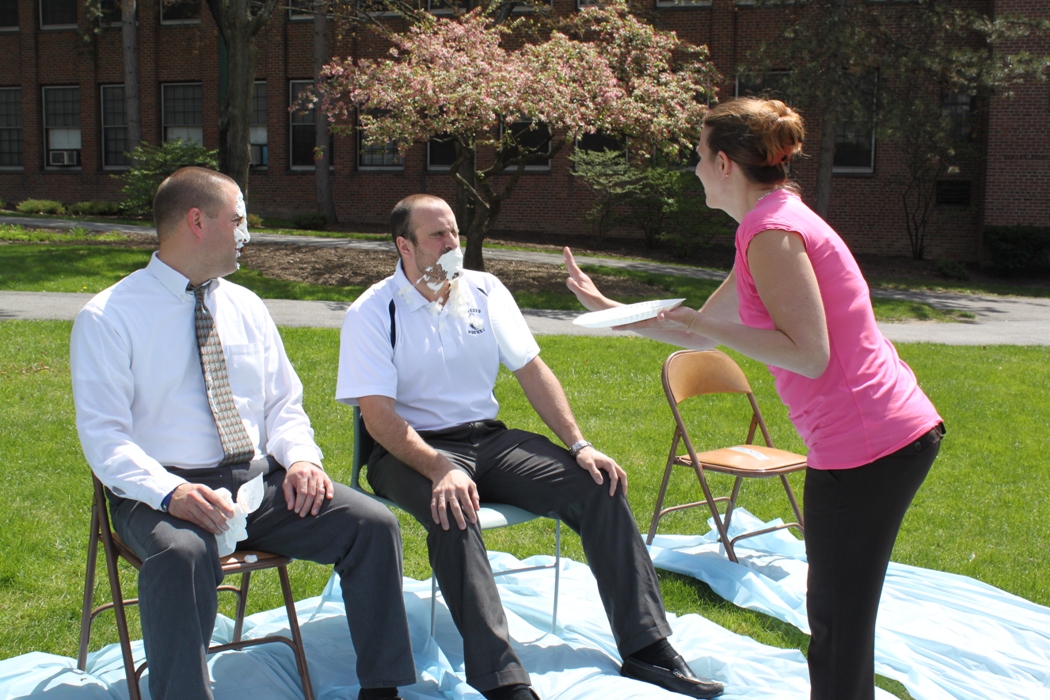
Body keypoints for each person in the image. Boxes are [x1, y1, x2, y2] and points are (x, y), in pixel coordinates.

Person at [564, 97, 944, 700]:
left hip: (869, 443)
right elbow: (697, 325)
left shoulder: (771, 232)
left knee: (838, 625)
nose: (692, 168)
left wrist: (702, 326)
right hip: (875, 436)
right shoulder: (767, 223)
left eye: (696, 154)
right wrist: (612, 313)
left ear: (722, 164)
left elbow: (808, 353)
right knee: (838, 620)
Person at [335, 194, 725, 700]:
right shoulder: (372, 311)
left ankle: (647, 648)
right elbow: (379, 418)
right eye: (438, 235)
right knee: (453, 510)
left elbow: (533, 372)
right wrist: (438, 469)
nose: (453, 244)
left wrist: (580, 444)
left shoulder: (484, 290)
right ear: (403, 246)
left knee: (599, 486)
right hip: (409, 450)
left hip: (487, 439)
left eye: (454, 232)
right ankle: (504, 682)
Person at [70, 167, 417, 700]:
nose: (247, 233)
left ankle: (383, 690)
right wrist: (173, 492)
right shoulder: (108, 318)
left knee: (371, 525)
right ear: (197, 221)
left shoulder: (247, 306)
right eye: (238, 220)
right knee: (182, 555)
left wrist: (301, 459)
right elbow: (105, 439)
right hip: (161, 492)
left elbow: (284, 404)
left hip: (257, 485)